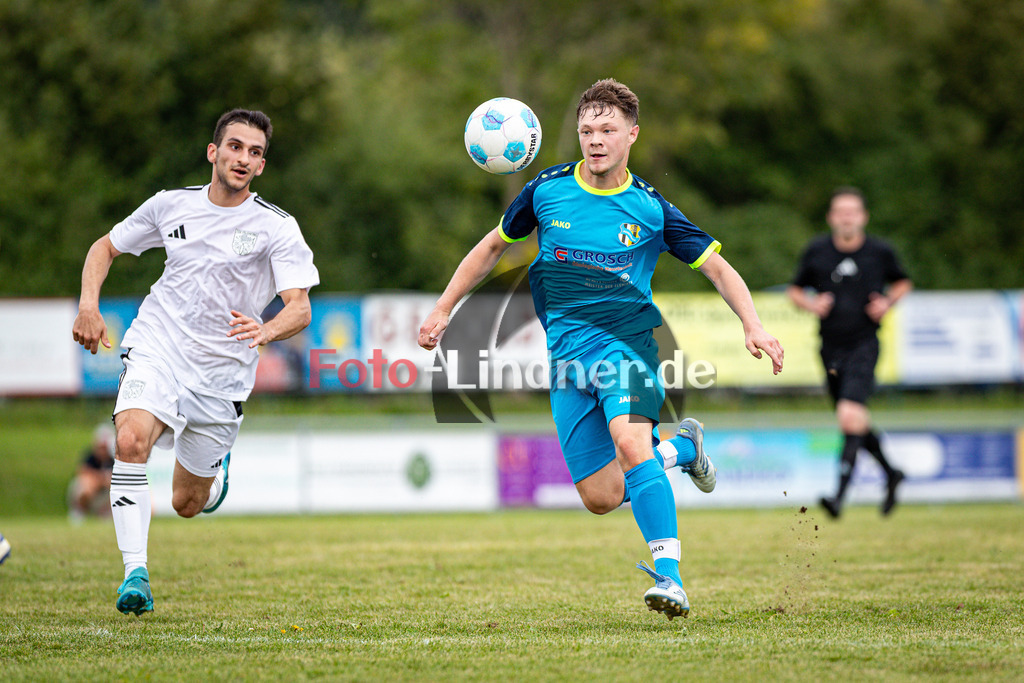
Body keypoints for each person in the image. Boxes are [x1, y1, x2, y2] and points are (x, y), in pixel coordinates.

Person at [418, 79, 784, 620]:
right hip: (567, 361)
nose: (595, 139)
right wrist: (445, 307)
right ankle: (683, 448)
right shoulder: (546, 191)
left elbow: (718, 266)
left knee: (629, 440)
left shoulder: (651, 210)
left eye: (608, 129)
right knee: (601, 496)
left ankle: (671, 578)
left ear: (632, 135)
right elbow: (494, 246)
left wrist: (753, 324)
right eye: (587, 130)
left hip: (628, 349)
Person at [72, 109, 319, 616]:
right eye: (234, 147)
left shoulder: (276, 227)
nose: (242, 159)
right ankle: (134, 574)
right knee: (130, 440)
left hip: (222, 373)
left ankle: (213, 474)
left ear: (262, 165)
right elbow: (105, 246)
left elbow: (300, 306)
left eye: (254, 153)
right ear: (214, 152)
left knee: (187, 502)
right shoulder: (170, 205)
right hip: (159, 345)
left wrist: (266, 330)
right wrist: (88, 305)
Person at [787, 187, 912, 519]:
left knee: (848, 415)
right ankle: (891, 473)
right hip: (830, 348)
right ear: (831, 217)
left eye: (852, 211)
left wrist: (887, 302)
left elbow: (902, 283)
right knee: (854, 420)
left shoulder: (880, 252)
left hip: (865, 345)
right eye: (840, 211)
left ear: (863, 217)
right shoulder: (817, 251)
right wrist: (812, 304)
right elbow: (794, 291)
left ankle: (838, 497)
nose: (846, 217)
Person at [68, 424, 117, 521]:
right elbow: (83, 472)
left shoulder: (114, 459)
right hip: (93, 490)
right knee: (85, 485)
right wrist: (101, 478)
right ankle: (80, 510)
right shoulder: (90, 457)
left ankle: (106, 513)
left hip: (105, 492)